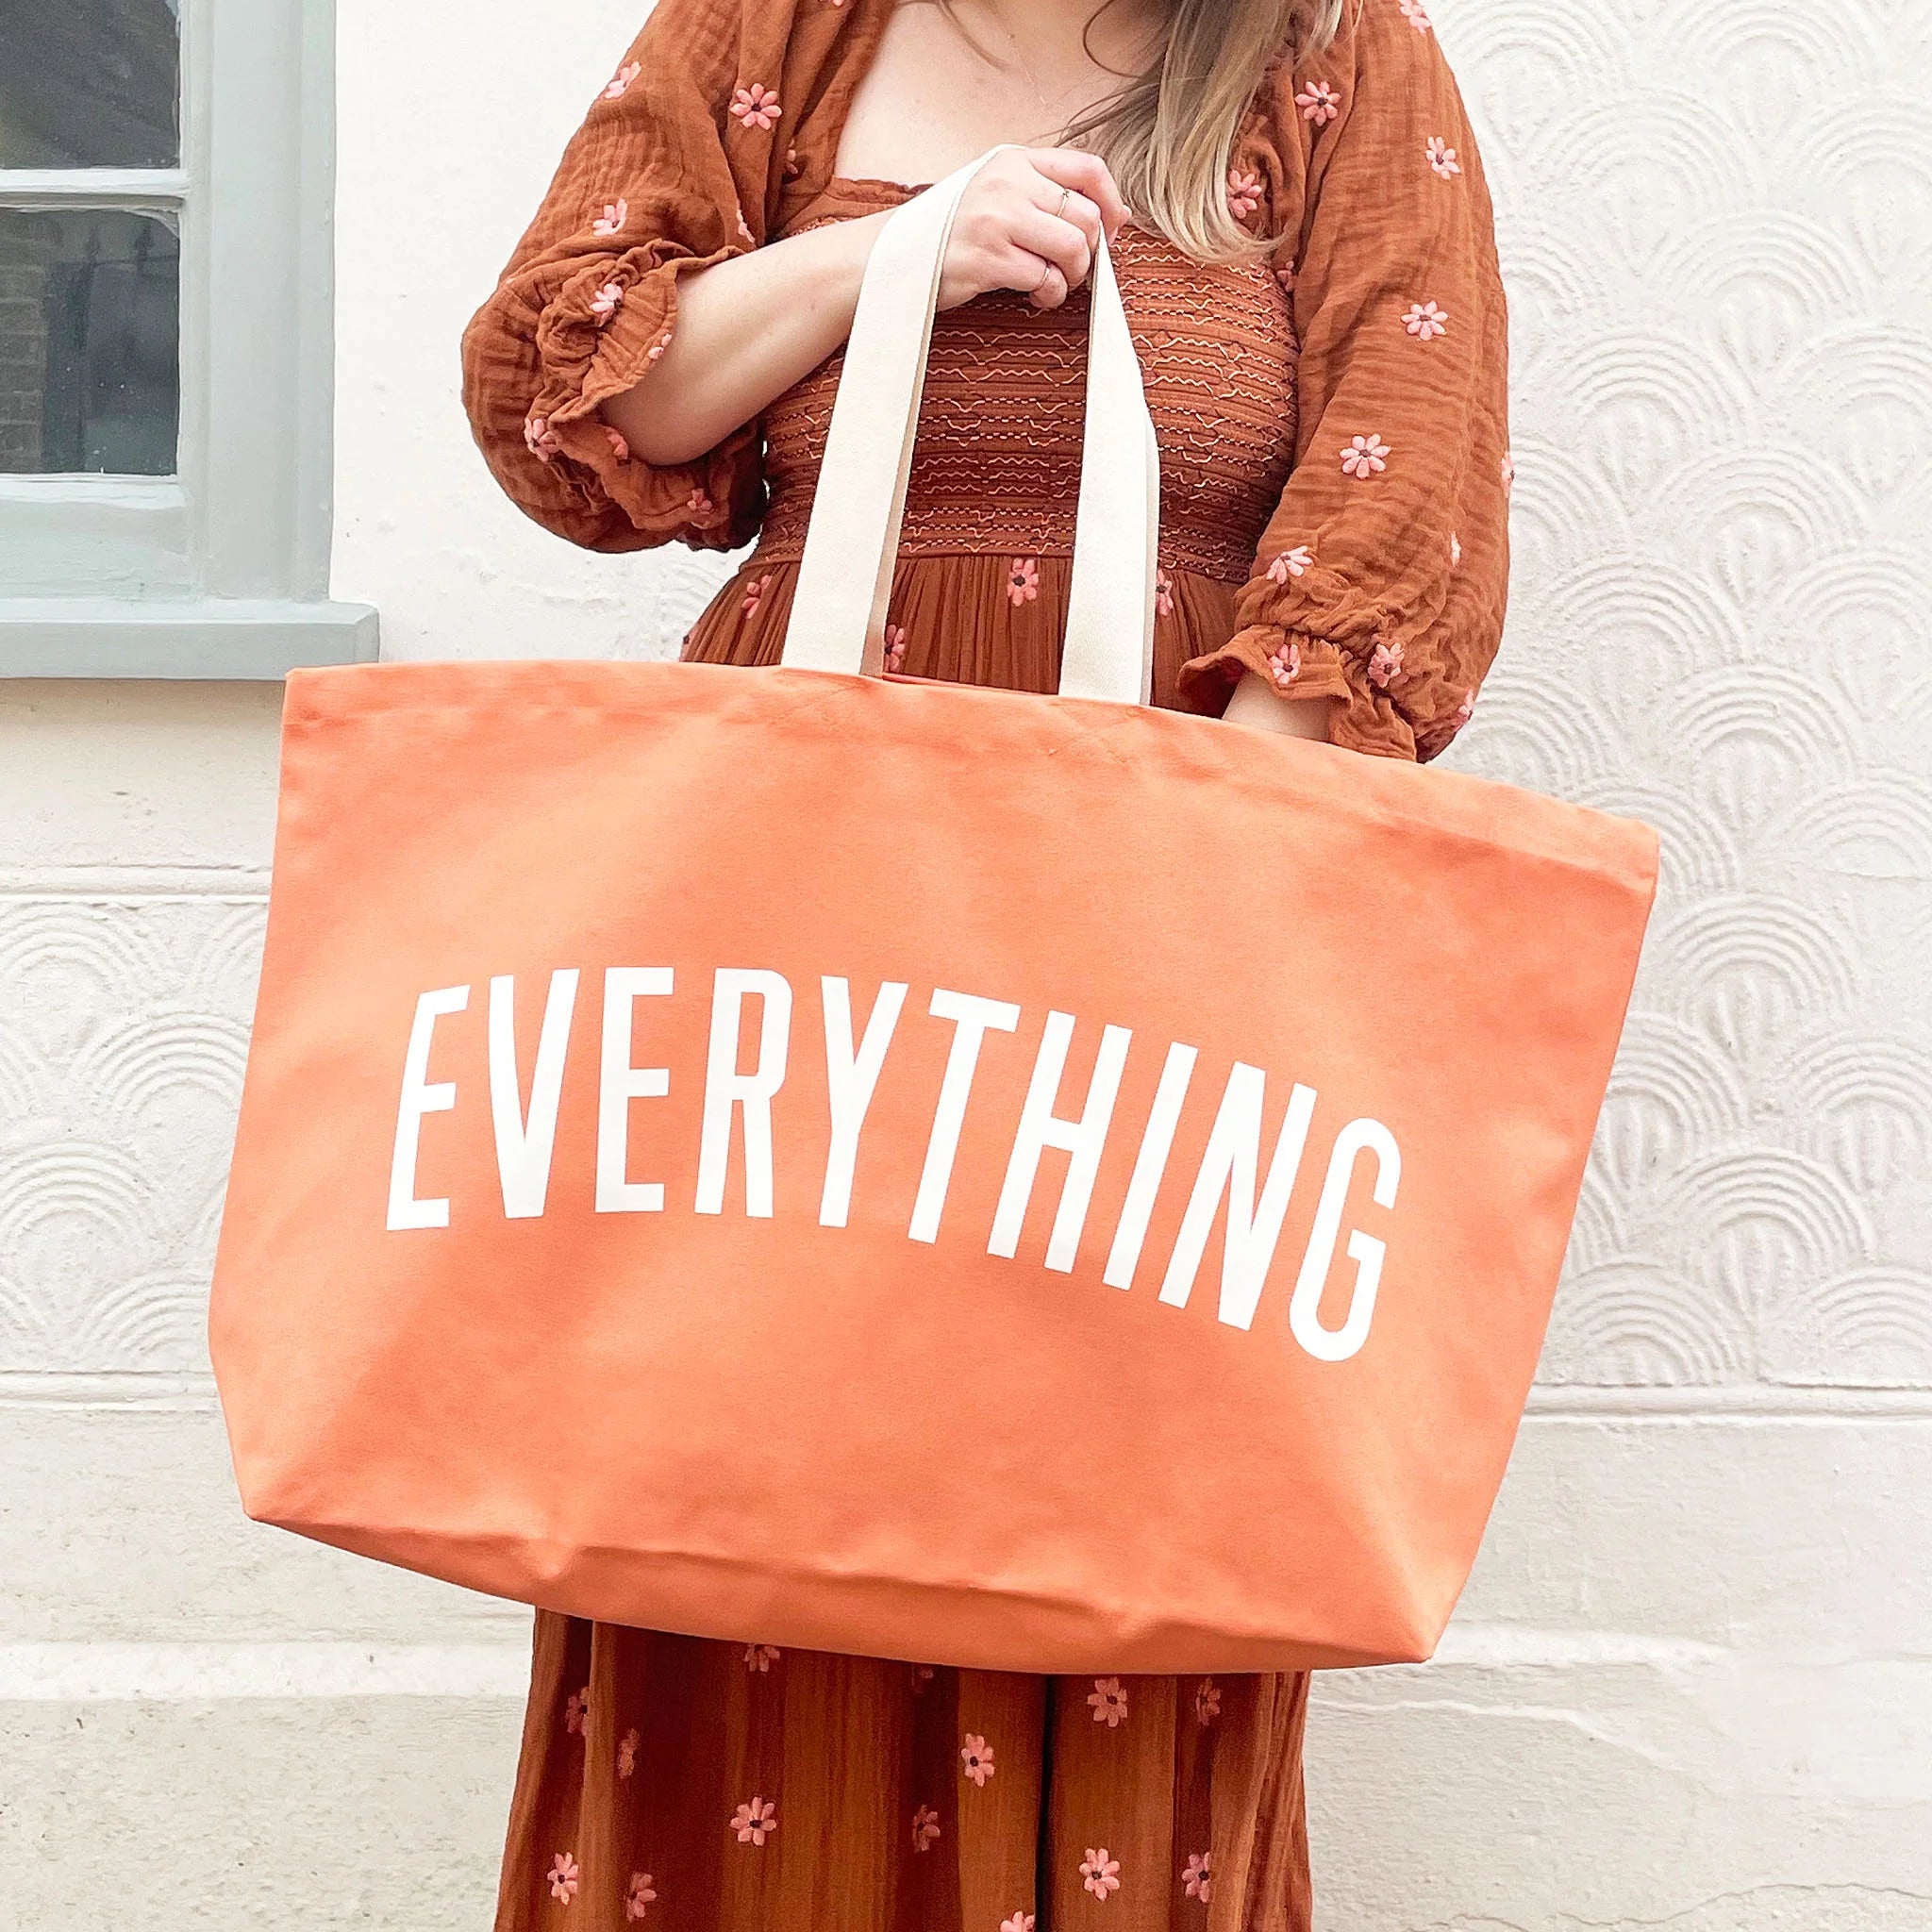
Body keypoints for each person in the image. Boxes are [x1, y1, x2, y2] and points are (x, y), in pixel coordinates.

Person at [461, 0, 1508, 1922]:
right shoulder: (777, 27)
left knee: (1107, 1541)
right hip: (791, 962)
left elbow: (1400, 511)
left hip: (1170, 949)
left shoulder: (1333, 51)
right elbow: (580, 395)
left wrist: (1137, 911)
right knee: (733, 1515)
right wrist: (888, 252)